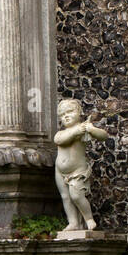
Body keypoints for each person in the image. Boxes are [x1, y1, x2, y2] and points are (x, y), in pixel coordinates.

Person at [53, 98, 109, 231]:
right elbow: (59, 140)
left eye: (70, 111)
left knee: (76, 195)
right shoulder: (62, 133)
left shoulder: (84, 130)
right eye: (62, 114)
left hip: (77, 170)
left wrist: (91, 129)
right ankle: (73, 223)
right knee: (66, 197)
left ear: (79, 112)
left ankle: (89, 218)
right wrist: (76, 131)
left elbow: (104, 136)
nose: (66, 116)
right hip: (59, 171)